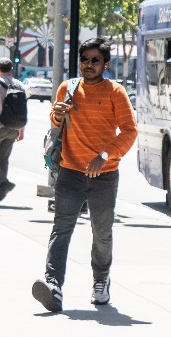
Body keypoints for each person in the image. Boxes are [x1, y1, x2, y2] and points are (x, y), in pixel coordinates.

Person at [31, 38, 138, 312]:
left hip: (104, 175)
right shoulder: (68, 88)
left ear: (105, 64)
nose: (89, 65)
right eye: (85, 60)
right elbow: (56, 123)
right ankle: (53, 285)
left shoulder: (115, 92)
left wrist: (104, 156)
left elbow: (129, 131)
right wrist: (56, 115)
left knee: (101, 232)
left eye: (95, 60)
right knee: (61, 228)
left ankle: (101, 281)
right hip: (69, 171)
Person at [0, 57, 26, 205]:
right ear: (12, 69)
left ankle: (3, 182)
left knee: (2, 160)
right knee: (3, 160)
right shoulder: (19, 85)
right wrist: (21, 130)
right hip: (13, 128)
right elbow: (22, 111)